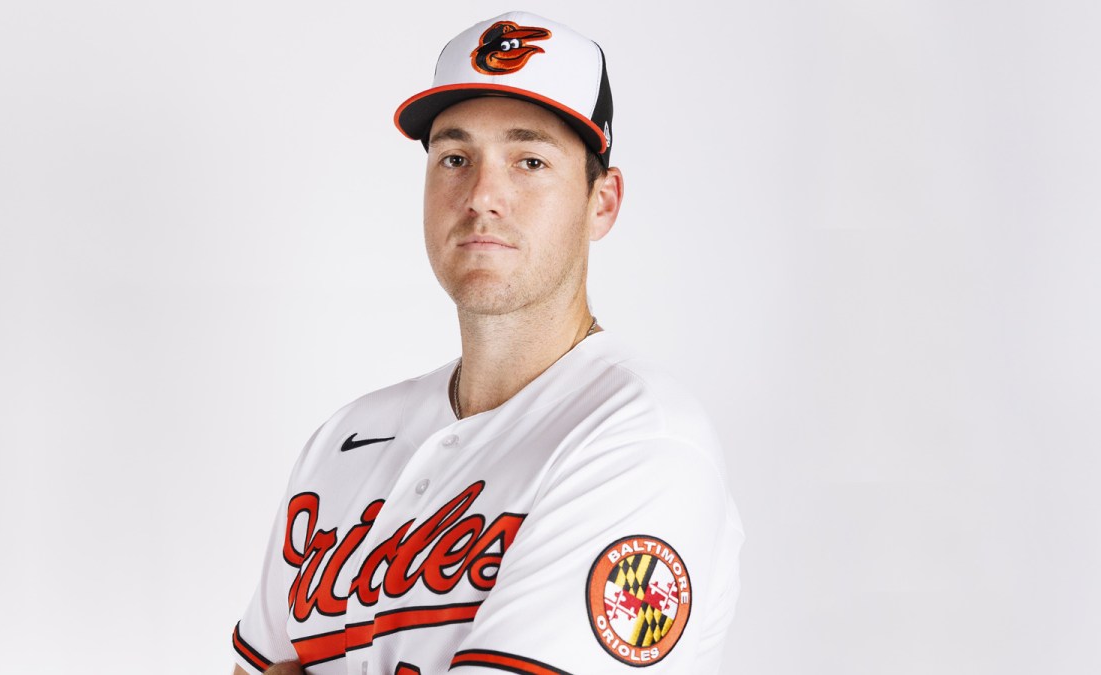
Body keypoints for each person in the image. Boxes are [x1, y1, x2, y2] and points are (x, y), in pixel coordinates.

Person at [231, 11, 743, 675]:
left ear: (603, 203)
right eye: (455, 157)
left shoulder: (639, 442)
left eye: (529, 160)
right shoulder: (347, 438)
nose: (482, 196)